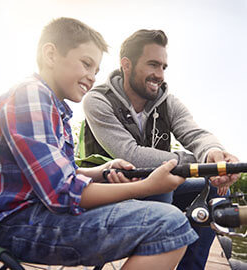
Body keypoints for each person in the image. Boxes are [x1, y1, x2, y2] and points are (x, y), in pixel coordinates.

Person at [0, 18, 198, 270]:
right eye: (86, 64)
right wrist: (146, 186)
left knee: (169, 220)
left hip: (32, 215)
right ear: (50, 54)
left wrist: (102, 172)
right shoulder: (31, 95)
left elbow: (60, 176)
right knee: (169, 225)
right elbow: (62, 193)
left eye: (96, 70)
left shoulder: (52, 105)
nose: (92, 77)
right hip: (16, 224)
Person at [83, 29, 239, 269]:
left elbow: (195, 134)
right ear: (126, 65)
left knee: (216, 192)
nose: (159, 75)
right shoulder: (97, 100)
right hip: (109, 186)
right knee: (165, 183)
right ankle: (159, 250)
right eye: (153, 65)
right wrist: (194, 163)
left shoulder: (170, 102)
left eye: (164, 67)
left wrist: (213, 154)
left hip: (159, 182)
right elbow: (130, 153)